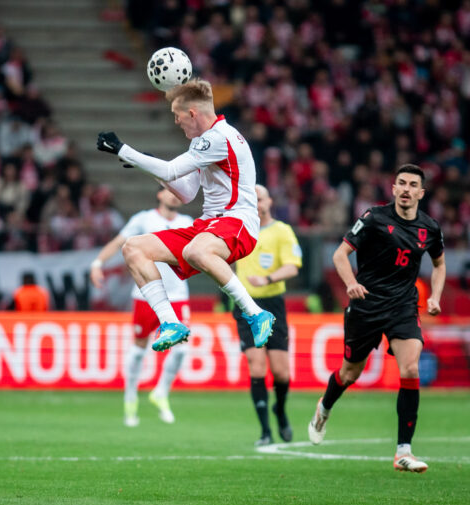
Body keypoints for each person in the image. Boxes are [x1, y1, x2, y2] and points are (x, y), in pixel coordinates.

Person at [96, 78, 275, 354]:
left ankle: (255, 313)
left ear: (192, 113)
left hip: (237, 222)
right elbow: (186, 193)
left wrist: (124, 150)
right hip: (209, 226)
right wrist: (147, 163)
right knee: (133, 248)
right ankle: (170, 322)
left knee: (196, 250)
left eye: (177, 116)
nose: (176, 122)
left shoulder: (219, 138)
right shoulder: (204, 143)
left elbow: (170, 171)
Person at [308, 164, 445, 473]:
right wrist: (351, 284)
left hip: (403, 307)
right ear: (394, 189)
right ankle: (324, 407)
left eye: (413, 185)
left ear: (421, 193)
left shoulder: (430, 227)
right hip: (366, 306)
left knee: (410, 366)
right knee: (350, 373)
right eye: (402, 183)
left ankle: (403, 451)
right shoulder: (374, 218)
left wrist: (435, 295)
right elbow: (340, 255)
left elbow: (439, 264)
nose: (407, 189)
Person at [90, 188, 194, 427]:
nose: (174, 196)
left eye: (177, 192)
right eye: (168, 191)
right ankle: (130, 399)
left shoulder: (188, 223)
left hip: (177, 296)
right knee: (139, 349)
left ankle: (161, 393)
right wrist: (97, 263)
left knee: (181, 350)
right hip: (146, 295)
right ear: (159, 194)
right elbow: (118, 242)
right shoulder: (144, 219)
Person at [233, 185, 302, 446]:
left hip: (272, 303)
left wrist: (267, 279)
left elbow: (292, 267)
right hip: (245, 304)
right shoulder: (240, 228)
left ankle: (280, 411)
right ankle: (265, 431)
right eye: (251, 199)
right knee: (257, 366)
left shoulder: (281, 231)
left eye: (259, 197)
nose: (256, 203)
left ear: (269, 201)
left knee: (282, 373)